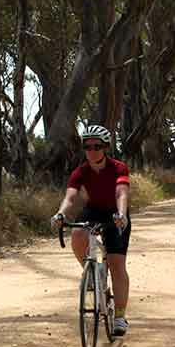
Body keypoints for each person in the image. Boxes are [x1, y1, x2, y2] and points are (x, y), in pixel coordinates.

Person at [50, 125, 131, 336]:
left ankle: (120, 316)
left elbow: (121, 193)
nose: (92, 150)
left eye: (97, 146)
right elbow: (69, 197)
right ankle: (92, 273)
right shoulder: (81, 172)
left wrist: (121, 215)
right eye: (87, 146)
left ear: (105, 148)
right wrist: (60, 214)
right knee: (77, 234)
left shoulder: (118, 167)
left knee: (116, 264)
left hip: (116, 215)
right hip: (93, 212)